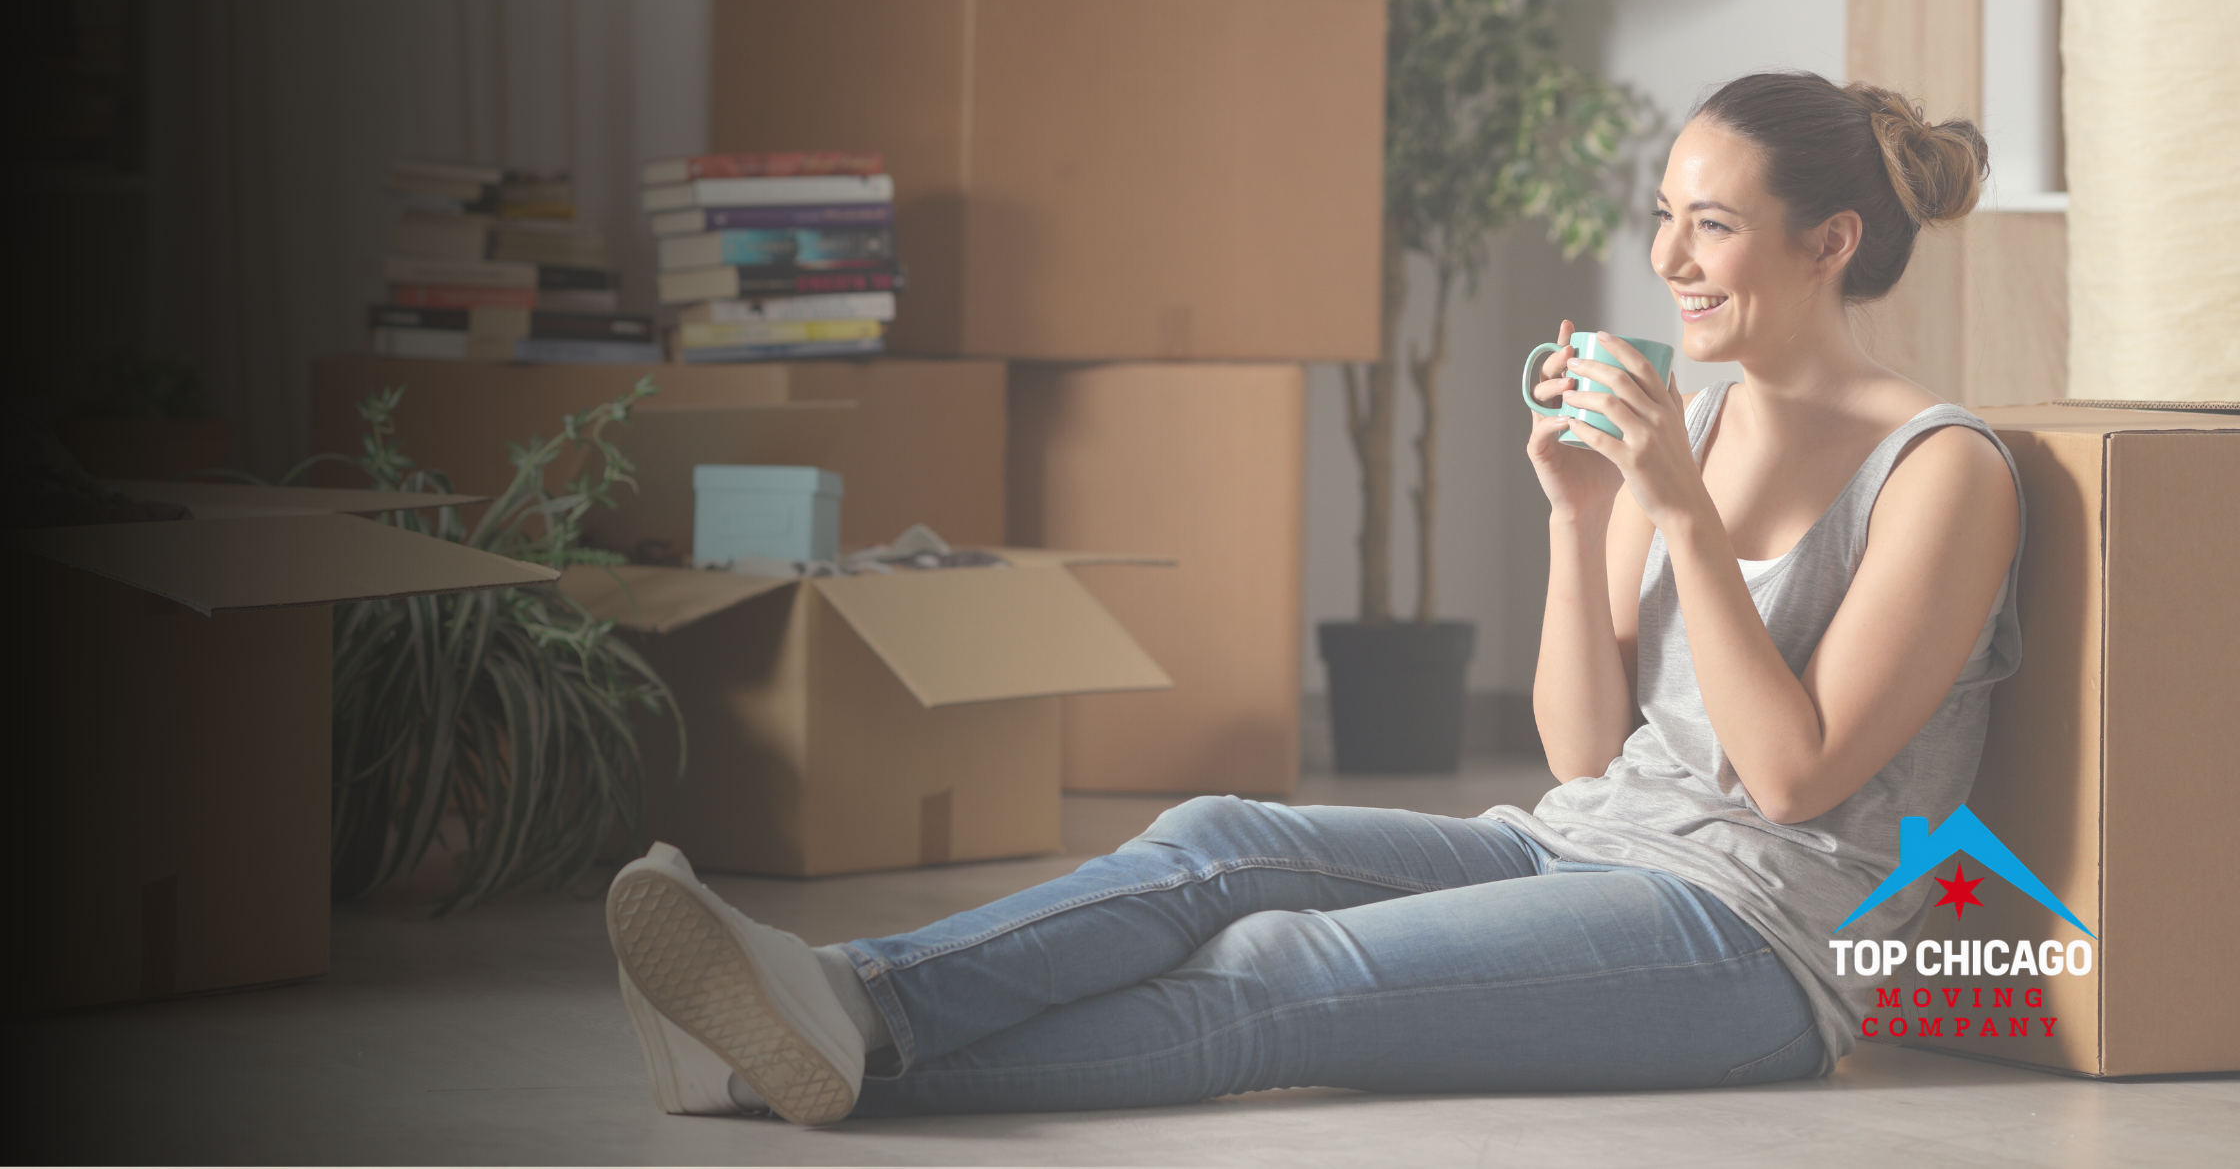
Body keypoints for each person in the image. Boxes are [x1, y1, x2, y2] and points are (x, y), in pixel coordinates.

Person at [602, 71, 2024, 1127]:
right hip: (1583, 846)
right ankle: (842, 1000)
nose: (1666, 262)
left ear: (1830, 243)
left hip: (1756, 946)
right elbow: (1583, 753)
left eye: (1711, 226)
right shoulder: (1696, 429)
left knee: (1282, 971)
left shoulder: (1941, 471)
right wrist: (1578, 513)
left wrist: (1682, 518)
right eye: (1663, 218)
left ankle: (784, 1062)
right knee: (1222, 841)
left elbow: (1789, 780)